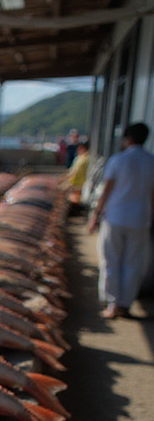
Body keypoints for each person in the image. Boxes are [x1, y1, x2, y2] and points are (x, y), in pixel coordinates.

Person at [87, 122, 154, 319]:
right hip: (140, 219)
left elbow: (106, 190)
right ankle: (125, 304)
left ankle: (111, 303)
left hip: (115, 217)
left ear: (128, 139)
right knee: (133, 262)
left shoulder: (118, 160)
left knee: (110, 260)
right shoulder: (151, 162)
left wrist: (95, 215)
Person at [61, 139, 90, 211]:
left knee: (61, 190)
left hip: (76, 183)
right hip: (80, 183)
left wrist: (65, 180)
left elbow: (74, 173)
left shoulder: (81, 159)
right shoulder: (86, 158)